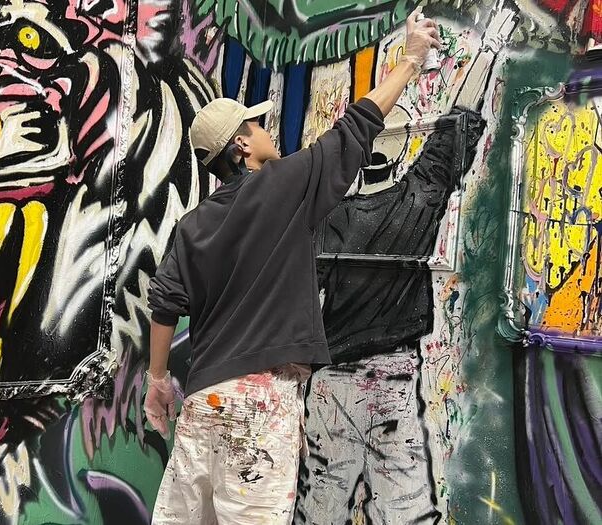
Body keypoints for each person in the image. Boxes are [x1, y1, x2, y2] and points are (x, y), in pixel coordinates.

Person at [144, 9, 441, 524]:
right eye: (257, 125)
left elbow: (165, 303)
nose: (267, 131)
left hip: (203, 402)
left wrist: (157, 380)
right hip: (259, 405)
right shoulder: (285, 185)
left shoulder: (192, 226)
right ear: (241, 145)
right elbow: (358, 125)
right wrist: (411, 58)